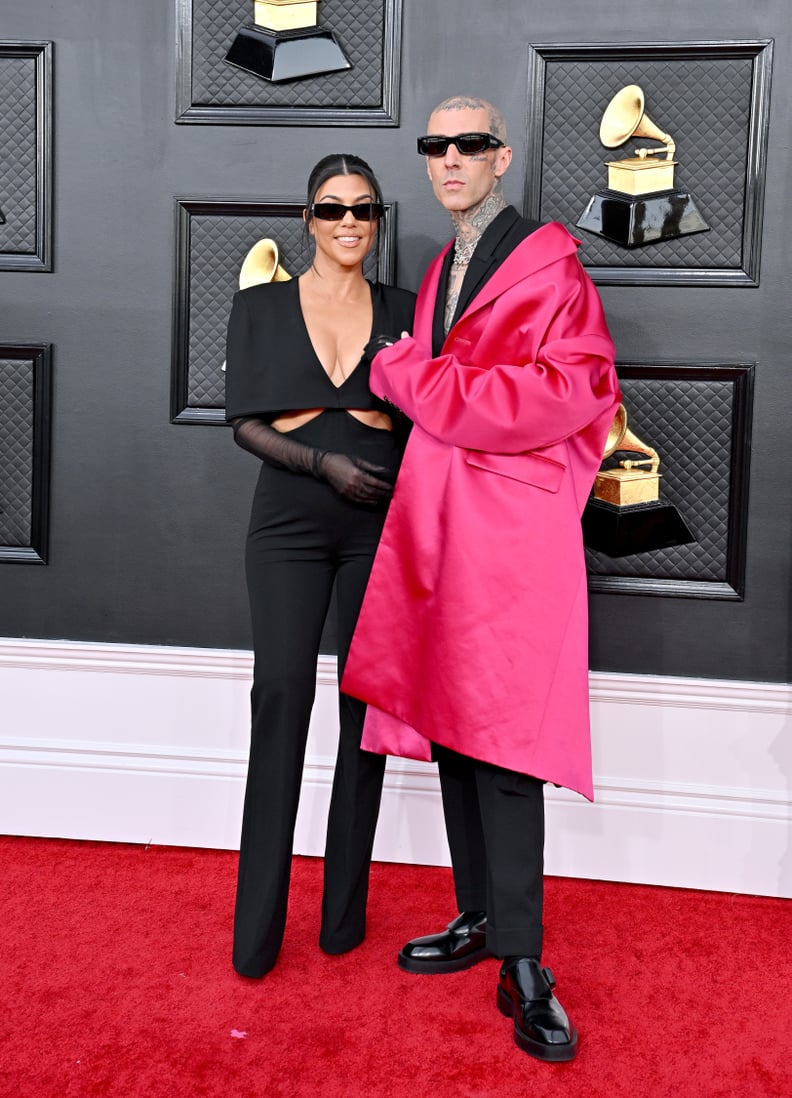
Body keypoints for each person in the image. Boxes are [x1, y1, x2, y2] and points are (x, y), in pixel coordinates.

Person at [342, 97, 621, 1061]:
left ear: (499, 158)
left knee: (504, 743)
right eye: (435, 146)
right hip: (442, 523)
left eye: (468, 144)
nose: (450, 159)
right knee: (456, 726)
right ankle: (480, 920)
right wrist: (418, 376)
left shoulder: (552, 265)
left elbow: (568, 393)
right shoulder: (439, 270)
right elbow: (449, 377)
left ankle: (527, 965)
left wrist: (407, 380)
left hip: (509, 533)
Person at [224, 153, 416, 979]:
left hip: (379, 532)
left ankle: (344, 917)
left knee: (361, 713)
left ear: (378, 222)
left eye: (364, 210)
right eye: (333, 208)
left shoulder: (408, 312)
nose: (348, 222)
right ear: (308, 217)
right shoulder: (259, 306)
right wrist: (323, 465)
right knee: (281, 700)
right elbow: (244, 424)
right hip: (289, 528)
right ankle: (257, 931)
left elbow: (427, 422)